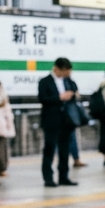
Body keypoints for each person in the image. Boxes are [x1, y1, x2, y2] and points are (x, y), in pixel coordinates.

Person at [38, 57, 80, 188]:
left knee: (65, 149)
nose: (66, 74)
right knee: (49, 149)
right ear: (57, 69)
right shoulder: (45, 81)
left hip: (66, 120)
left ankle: (64, 176)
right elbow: (43, 98)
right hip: (51, 120)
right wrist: (59, 97)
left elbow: (75, 92)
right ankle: (48, 178)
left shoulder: (68, 81)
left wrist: (72, 95)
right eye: (65, 71)